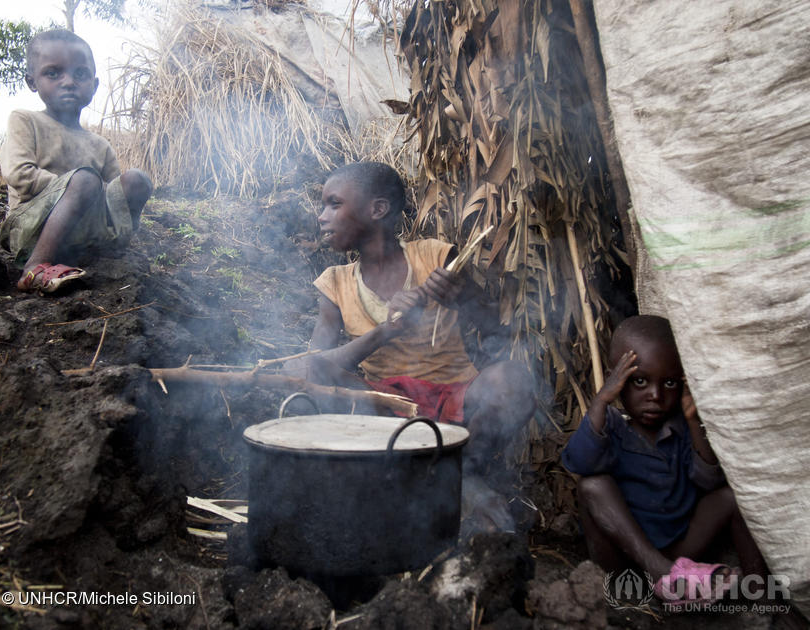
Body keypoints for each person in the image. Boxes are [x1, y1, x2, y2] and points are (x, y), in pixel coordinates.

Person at [296, 161, 537, 533]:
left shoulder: (435, 256)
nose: (322, 216)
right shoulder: (335, 283)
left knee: (513, 381)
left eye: (333, 204)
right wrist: (385, 332)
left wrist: (464, 296)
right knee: (324, 381)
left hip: (456, 398)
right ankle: (432, 476)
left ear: (377, 210)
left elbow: (495, 329)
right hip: (386, 408)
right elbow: (313, 366)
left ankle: (462, 471)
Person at [561, 315, 767, 604]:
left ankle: (762, 595)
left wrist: (694, 421)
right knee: (592, 486)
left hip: (682, 555)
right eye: (640, 381)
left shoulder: (680, 428)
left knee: (729, 497)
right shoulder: (609, 426)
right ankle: (661, 575)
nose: (655, 396)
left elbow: (709, 481)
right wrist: (600, 401)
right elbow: (578, 463)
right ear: (616, 381)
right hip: (628, 561)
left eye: (669, 383)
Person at [0, 29, 152, 294]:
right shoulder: (25, 120)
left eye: (80, 74)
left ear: (94, 84)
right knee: (86, 180)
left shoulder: (99, 144)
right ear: (32, 82)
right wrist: (76, 188)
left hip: (83, 231)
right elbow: (20, 175)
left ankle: (112, 250)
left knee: (137, 180)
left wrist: (92, 195)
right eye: (54, 73)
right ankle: (36, 267)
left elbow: (113, 196)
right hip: (30, 229)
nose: (68, 81)